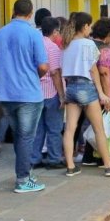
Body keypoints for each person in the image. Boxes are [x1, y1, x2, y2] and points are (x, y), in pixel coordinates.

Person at [0, 0, 48, 193]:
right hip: (28, 93)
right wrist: (36, 74)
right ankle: (23, 179)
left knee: (19, 137)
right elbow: (42, 66)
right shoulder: (33, 34)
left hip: (6, 93)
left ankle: (25, 173)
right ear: (31, 14)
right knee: (26, 138)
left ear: (14, 11)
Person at [61, 12, 110, 177]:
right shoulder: (88, 44)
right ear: (84, 27)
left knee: (70, 129)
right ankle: (108, 165)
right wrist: (102, 94)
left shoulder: (66, 44)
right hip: (86, 86)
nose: (90, 28)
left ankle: (70, 166)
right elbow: (93, 70)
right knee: (99, 129)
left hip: (71, 87)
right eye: (89, 26)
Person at [81, 17, 110, 167]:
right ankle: (102, 157)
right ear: (107, 34)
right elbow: (104, 73)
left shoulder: (89, 45)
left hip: (90, 90)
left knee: (94, 124)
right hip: (104, 92)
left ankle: (88, 156)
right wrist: (108, 97)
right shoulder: (104, 50)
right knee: (103, 126)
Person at [30, 16, 66, 170]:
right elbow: (55, 73)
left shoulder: (34, 45)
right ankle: (54, 159)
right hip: (51, 93)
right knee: (54, 129)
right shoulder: (53, 48)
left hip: (36, 93)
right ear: (55, 31)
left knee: (38, 129)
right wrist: (62, 95)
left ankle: (35, 158)